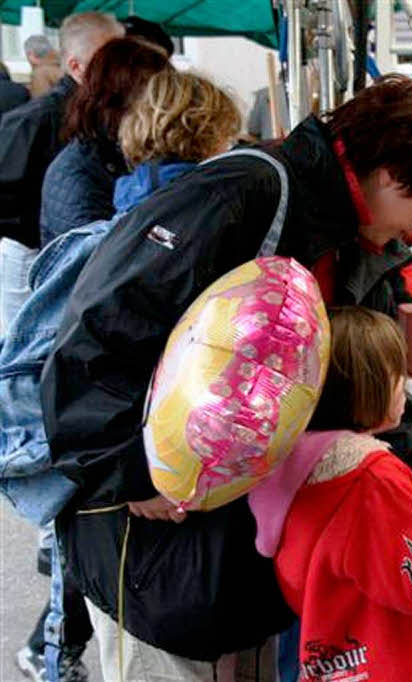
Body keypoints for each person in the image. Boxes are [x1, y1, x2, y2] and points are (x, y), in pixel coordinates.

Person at [42, 74, 412, 672]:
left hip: (247, 562)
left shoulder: (357, 246)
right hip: (156, 553)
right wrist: (132, 471)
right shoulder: (244, 194)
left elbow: (370, 400)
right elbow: (99, 333)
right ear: (394, 173)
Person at [2, 68, 240, 682]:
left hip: (100, 500)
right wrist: (135, 473)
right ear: (217, 137)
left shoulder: (121, 214)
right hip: (153, 494)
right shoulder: (196, 230)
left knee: (124, 649)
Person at [250, 306, 412, 681]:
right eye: (398, 375)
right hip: (398, 667)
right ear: (368, 387)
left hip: (342, 662)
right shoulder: (371, 479)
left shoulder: (293, 467)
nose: (405, 387)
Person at [0, 11, 122, 330]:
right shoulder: (34, 120)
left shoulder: (105, 111)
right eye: (107, 59)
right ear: (75, 66)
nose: (122, 67)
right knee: (27, 355)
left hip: (73, 254)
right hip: (31, 254)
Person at [39, 37, 170, 246]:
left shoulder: (127, 154)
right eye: (155, 97)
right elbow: (92, 264)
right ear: (120, 98)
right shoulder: (78, 171)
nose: (164, 109)